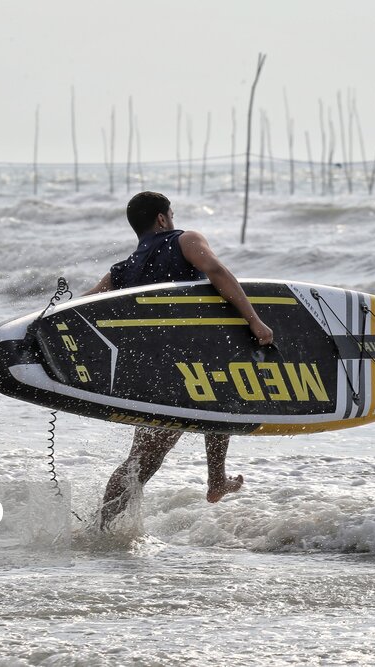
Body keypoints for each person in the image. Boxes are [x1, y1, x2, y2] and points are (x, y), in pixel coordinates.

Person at [84, 191, 274, 529]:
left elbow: (84, 306)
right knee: (211, 405)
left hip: (149, 373)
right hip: (186, 365)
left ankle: (104, 524)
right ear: (162, 218)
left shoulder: (123, 271)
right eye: (170, 214)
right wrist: (253, 320)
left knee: (151, 454)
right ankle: (101, 527)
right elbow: (216, 270)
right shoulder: (185, 239)